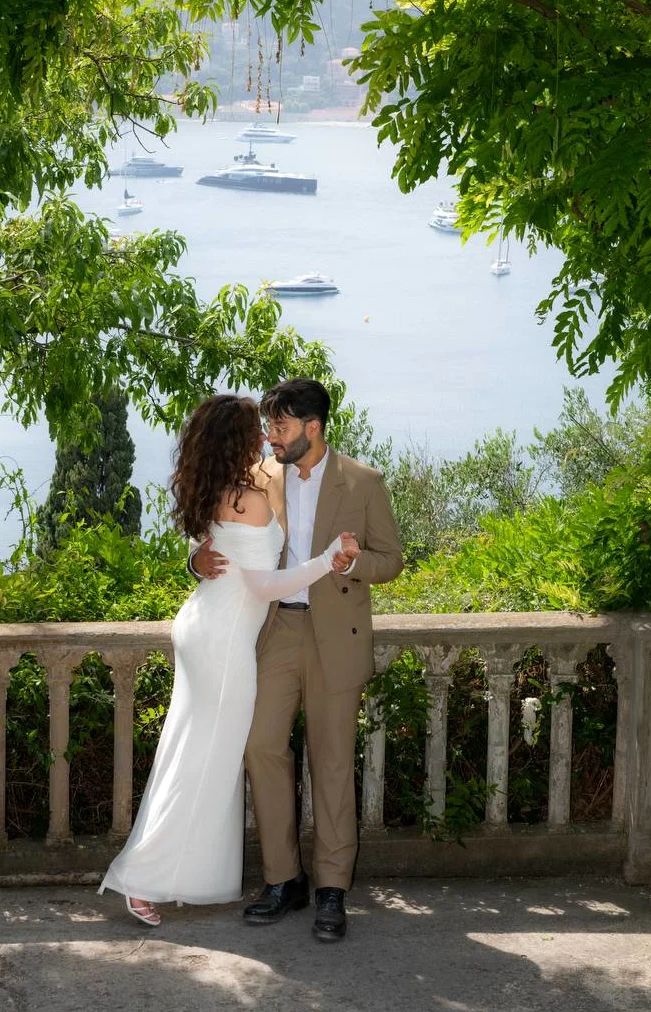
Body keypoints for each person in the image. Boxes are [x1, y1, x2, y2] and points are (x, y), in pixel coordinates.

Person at [97, 393, 358, 926]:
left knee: (191, 752)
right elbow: (263, 584)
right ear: (236, 442)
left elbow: (210, 545)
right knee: (201, 760)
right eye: (255, 431)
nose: (266, 437)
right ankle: (142, 878)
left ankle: (170, 875)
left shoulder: (215, 486)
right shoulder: (249, 496)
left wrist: (197, 557)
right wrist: (327, 561)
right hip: (224, 640)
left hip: (205, 625)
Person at [191, 379, 403, 942]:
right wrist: (197, 559)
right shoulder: (261, 476)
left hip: (337, 634)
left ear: (313, 427)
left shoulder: (363, 481)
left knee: (332, 760)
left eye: (280, 427)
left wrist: (354, 564)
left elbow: (394, 559)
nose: (270, 438)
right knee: (261, 744)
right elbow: (223, 531)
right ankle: (284, 879)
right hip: (277, 629)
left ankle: (332, 890)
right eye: (269, 427)